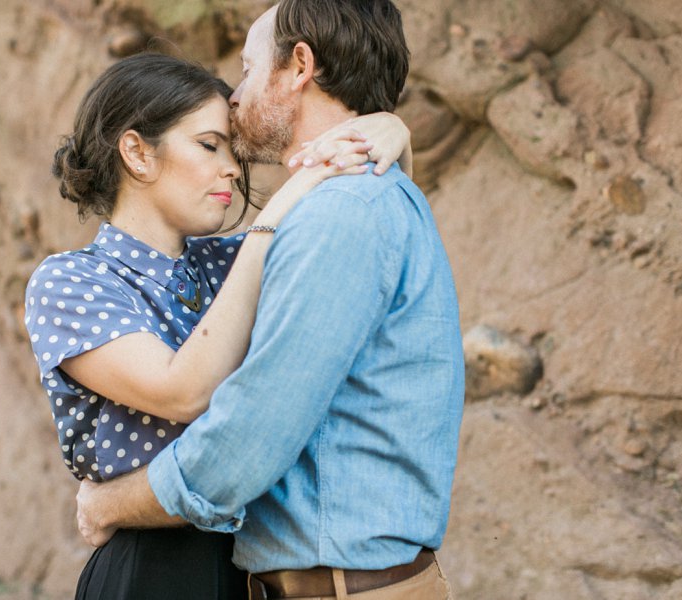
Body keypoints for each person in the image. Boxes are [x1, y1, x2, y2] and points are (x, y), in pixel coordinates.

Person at [74, 2, 465, 600]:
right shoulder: (358, 201)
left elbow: (242, 444)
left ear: (299, 66)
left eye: (250, 67)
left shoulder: (337, 216)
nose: (237, 93)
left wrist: (107, 504)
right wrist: (385, 128)